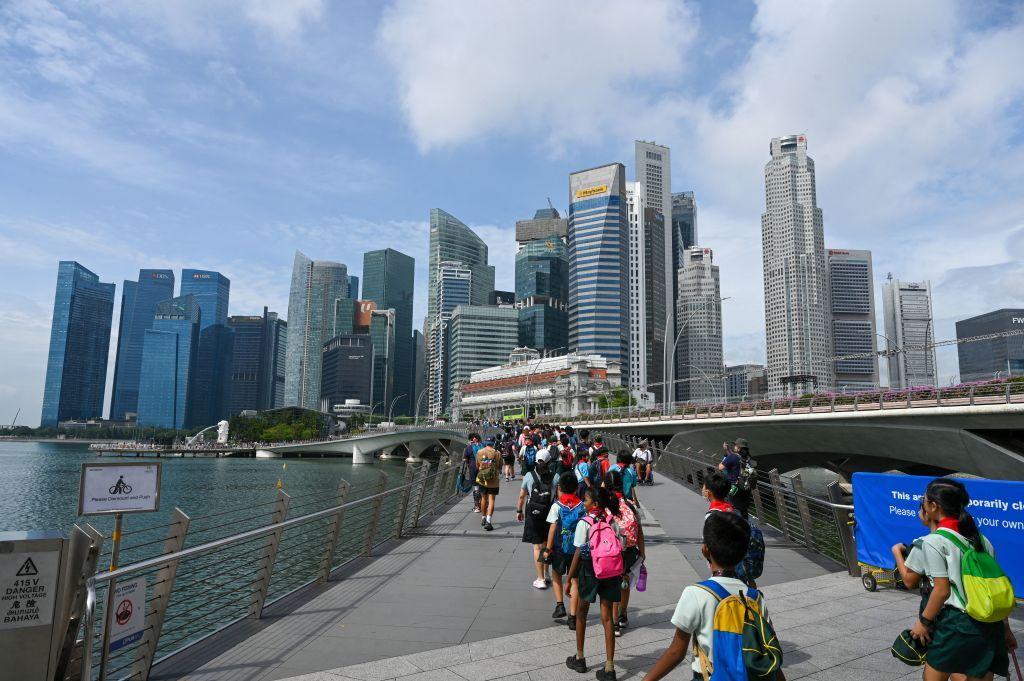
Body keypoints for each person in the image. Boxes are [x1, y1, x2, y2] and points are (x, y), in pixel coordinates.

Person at [643, 511, 785, 681]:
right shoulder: (755, 597)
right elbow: (766, 647)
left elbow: (676, 652)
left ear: (705, 550)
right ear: (743, 553)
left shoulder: (695, 593)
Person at [905, 478, 1016, 680]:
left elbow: (941, 590)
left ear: (933, 506)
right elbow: (993, 587)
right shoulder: (982, 539)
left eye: (924, 501)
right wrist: (1005, 629)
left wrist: (923, 622)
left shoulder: (935, 541)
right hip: (989, 624)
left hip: (957, 624)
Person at [566, 486, 623, 680]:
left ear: (595, 504)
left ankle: (580, 658)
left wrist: (569, 578)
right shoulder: (612, 521)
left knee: (581, 614)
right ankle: (609, 667)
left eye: (587, 500)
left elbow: (577, 553)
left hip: (590, 572)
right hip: (610, 573)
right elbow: (619, 547)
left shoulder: (585, 522)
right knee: (607, 618)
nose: (584, 503)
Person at [605, 468, 645, 637]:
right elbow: (640, 530)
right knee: (625, 582)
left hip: (611, 552)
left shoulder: (605, 505)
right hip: (630, 551)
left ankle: (614, 623)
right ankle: (622, 615)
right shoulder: (630, 504)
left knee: (614, 584)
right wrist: (642, 552)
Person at [544, 471, 585, 627]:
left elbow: (553, 528)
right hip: (577, 550)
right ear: (576, 489)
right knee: (575, 581)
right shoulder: (582, 506)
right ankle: (573, 617)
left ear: (560, 488)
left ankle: (560, 604)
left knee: (556, 575)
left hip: (559, 548)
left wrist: (548, 549)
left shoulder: (557, 505)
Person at [517, 449, 556, 589]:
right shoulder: (555, 477)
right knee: (547, 544)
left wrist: (519, 510)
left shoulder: (529, 475)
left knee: (537, 546)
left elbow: (522, 496)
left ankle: (540, 579)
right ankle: (546, 574)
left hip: (533, 513)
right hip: (549, 514)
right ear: (549, 462)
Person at [475, 439, 503, 531]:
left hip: (483, 479)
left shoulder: (479, 452)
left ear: (486, 443)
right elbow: (499, 466)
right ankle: (488, 521)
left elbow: (477, 465)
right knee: (491, 500)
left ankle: (483, 517)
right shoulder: (497, 453)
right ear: (493, 443)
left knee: (483, 498)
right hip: (493, 480)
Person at [463, 433, 482, 513]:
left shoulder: (469, 448)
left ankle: (477, 507)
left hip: (473, 469)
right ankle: (483, 503)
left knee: (476, 487)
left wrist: (468, 463)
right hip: (483, 469)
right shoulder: (483, 446)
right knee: (482, 486)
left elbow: (465, 458)